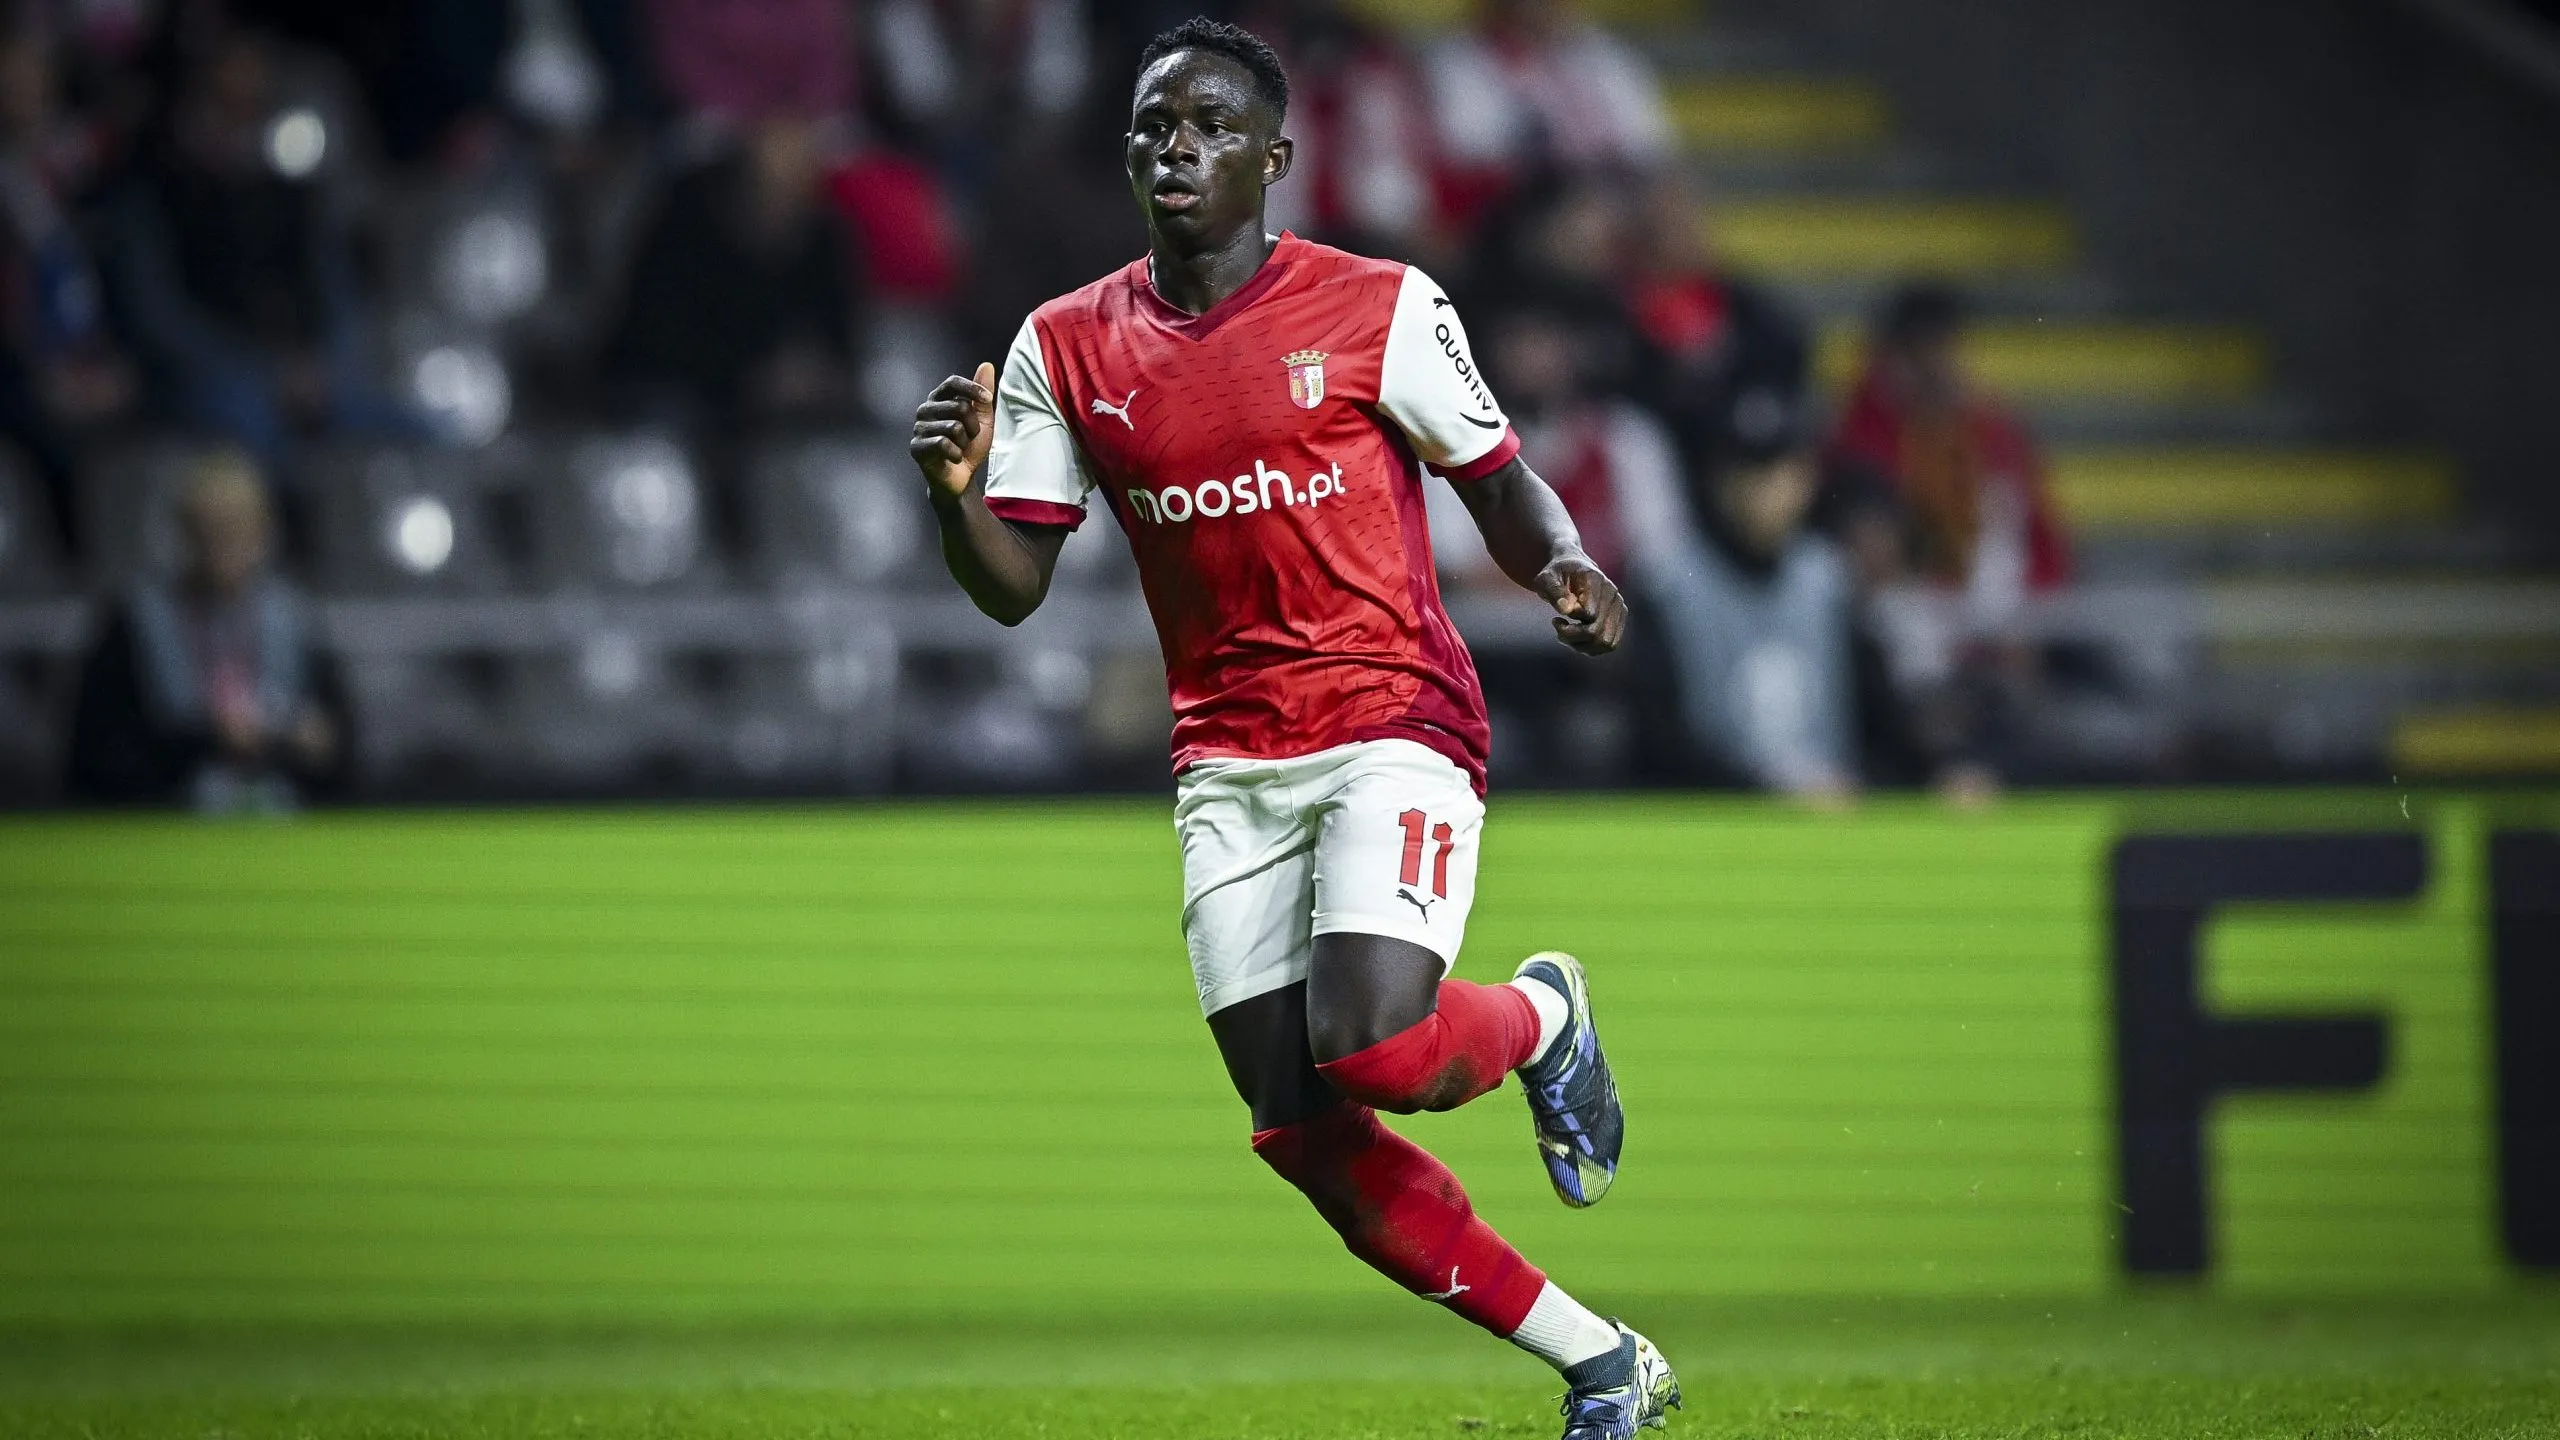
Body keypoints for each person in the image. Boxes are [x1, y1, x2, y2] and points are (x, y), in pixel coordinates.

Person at [905, 21, 1677, 1438]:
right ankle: (1603, 1362)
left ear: (1274, 153)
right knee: (1301, 1133)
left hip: (1392, 713)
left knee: (1374, 1045)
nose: (1175, 148)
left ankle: (1544, 1016)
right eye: (1152, 126)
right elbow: (1011, 590)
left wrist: (1562, 561)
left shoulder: (1378, 304)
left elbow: (1497, 478)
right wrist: (957, 496)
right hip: (1227, 760)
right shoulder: (1062, 347)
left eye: (1207, 126)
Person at [65, 448, 344, 811]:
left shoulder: (294, 622)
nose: (220, 547)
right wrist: (207, 741)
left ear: (264, 532)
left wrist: (311, 742)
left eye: (234, 529)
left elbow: (340, 752)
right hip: (165, 822)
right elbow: (94, 757)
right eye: (205, 530)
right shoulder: (136, 625)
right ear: (183, 534)